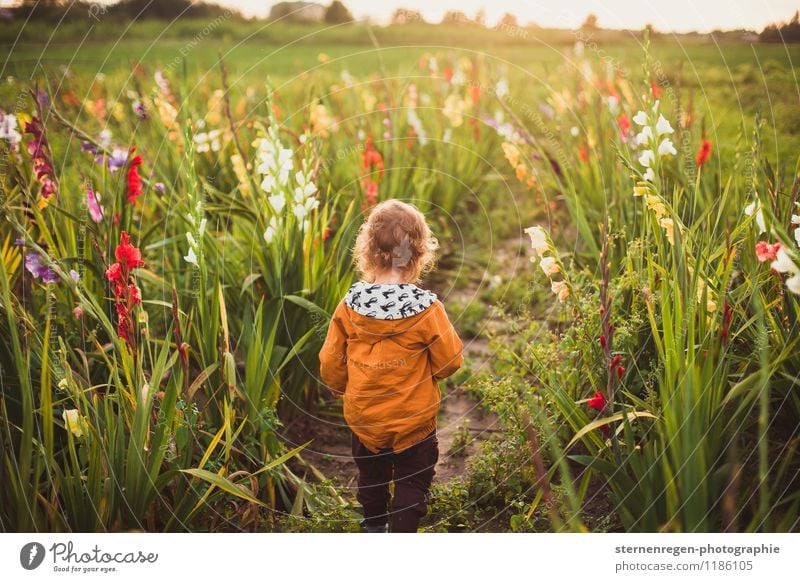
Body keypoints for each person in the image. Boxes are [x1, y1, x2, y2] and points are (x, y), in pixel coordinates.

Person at [319, 199, 463, 533]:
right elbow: (451, 360)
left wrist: (338, 383)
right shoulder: (427, 308)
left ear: (367, 249)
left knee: (371, 476)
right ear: (418, 253)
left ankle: (373, 527)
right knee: (413, 481)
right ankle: (402, 533)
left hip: (365, 419)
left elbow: (331, 357)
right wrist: (434, 371)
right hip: (413, 421)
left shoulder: (350, 304)